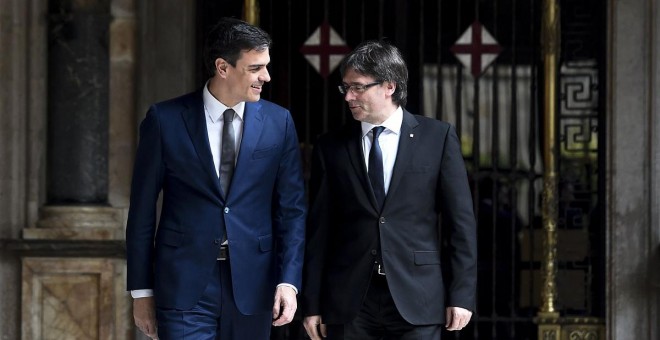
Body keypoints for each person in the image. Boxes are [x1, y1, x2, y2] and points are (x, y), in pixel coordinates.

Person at [126, 17, 306, 340]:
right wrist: (141, 291)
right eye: (255, 68)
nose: (266, 77)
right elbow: (140, 211)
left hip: (254, 283)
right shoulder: (164, 121)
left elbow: (291, 210)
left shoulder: (280, 123)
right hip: (184, 284)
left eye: (266, 66)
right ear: (223, 67)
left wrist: (288, 281)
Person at [301, 40, 477, 340]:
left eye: (358, 87)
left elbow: (460, 224)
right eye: (345, 88)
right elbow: (319, 230)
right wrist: (313, 304)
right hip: (350, 300)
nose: (349, 97)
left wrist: (461, 295)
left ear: (389, 86)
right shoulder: (330, 147)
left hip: (418, 296)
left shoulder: (437, 137)